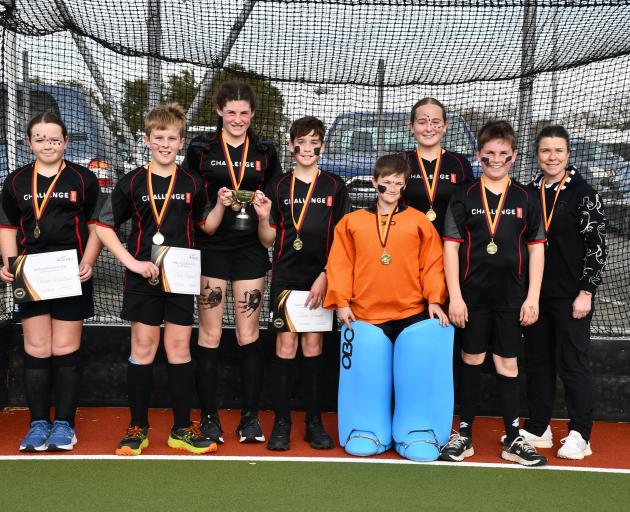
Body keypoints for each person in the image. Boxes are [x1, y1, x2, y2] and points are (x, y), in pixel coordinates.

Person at [96, 103, 215, 455]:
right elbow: (102, 226)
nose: (165, 144)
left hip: (179, 278)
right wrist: (131, 262)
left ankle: (181, 429)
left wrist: (223, 204)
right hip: (142, 279)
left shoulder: (193, 181)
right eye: (158, 137)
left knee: (178, 350)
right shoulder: (132, 180)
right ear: (147, 140)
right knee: (143, 349)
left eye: (172, 138)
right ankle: (138, 428)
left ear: (181, 142)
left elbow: (205, 223)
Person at [440, 120, 548, 466]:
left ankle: (513, 438)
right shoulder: (464, 196)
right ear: (479, 156)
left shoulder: (527, 198)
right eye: (489, 155)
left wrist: (532, 297)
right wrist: (455, 296)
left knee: (507, 363)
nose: (496, 160)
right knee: (470, 359)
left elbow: (537, 250)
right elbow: (450, 249)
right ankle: (465, 433)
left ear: (514, 156)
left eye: (503, 154)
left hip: (511, 297)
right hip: (471, 297)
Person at [183, 81, 282, 444]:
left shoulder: (265, 150)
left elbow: (273, 200)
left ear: (252, 114)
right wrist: (217, 203)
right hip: (211, 245)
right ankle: (209, 417)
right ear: (219, 112)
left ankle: (250, 418)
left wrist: (263, 211)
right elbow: (191, 194)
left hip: (250, 249)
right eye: (231, 112)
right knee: (209, 333)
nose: (237, 118)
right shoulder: (201, 148)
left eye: (244, 112)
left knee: (248, 334)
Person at [0, 112, 101, 451]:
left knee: (65, 349)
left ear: (66, 142)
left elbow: (97, 228)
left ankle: (65, 425)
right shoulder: (15, 181)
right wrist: (8, 264)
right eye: (40, 138)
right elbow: (8, 228)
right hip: (31, 274)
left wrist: (88, 261)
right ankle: (38, 423)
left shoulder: (82, 178)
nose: (47, 144)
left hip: (71, 272)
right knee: (37, 349)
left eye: (54, 139)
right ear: (29, 142)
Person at [256, 116, 351, 451]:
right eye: (301, 142)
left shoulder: (335, 186)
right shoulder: (278, 186)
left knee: (313, 348)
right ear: (292, 145)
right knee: (285, 348)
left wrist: (327, 276)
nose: (307, 148)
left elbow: (343, 239)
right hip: (286, 277)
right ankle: (282, 422)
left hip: (320, 278)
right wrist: (261, 215)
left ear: (322, 147)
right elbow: (268, 239)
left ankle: (313, 422)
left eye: (314, 143)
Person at [521, 125, 607, 459]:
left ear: (568, 154)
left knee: (573, 363)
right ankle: (540, 426)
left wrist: (586, 291)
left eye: (558, 150)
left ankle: (580, 433)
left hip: (572, 296)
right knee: (538, 362)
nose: (552, 157)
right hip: (536, 295)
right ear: (537, 155)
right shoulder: (529, 192)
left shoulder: (584, 193)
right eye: (545, 151)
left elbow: (597, 246)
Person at [402, 97, 474, 237]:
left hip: (450, 247)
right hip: (409, 245)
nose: (429, 128)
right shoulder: (400, 162)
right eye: (422, 122)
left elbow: (470, 207)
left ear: (445, 126)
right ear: (411, 126)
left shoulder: (460, 163)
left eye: (436, 122)